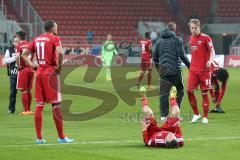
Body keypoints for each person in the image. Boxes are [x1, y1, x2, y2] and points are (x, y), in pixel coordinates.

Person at [21, 20, 74, 144]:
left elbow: (23, 55)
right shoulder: (55, 38)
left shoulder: (37, 39)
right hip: (50, 74)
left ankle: (39, 138)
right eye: (56, 26)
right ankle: (61, 137)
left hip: (39, 73)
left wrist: (34, 66)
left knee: (39, 105)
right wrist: (59, 68)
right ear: (52, 28)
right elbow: (60, 52)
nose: (57, 28)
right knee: (56, 105)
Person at [153, 22, 190, 121]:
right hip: (175, 71)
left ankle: (163, 116)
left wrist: (159, 69)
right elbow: (182, 55)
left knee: (163, 94)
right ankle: (175, 112)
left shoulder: (159, 41)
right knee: (180, 91)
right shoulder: (177, 40)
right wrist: (190, 66)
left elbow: (155, 57)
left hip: (163, 72)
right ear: (174, 30)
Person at [187, 19, 215, 124]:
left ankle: (205, 117)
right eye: (192, 28)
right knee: (189, 91)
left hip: (204, 71)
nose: (193, 30)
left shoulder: (206, 38)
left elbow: (212, 51)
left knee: (204, 93)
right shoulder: (190, 38)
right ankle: (196, 114)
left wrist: (210, 60)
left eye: (195, 28)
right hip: (193, 70)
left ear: (199, 27)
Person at [15, 31, 34, 115]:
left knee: (23, 90)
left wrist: (18, 65)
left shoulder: (19, 46)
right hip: (31, 69)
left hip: (23, 69)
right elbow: (34, 55)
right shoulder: (30, 44)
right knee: (29, 90)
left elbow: (17, 57)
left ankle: (25, 111)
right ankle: (29, 110)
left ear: (18, 37)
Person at [2, 36, 19, 114]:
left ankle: (27, 109)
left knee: (26, 91)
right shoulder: (9, 50)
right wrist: (14, 58)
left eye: (18, 41)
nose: (17, 43)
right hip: (14, 73)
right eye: (15, 41)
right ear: (13, 42)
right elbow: (4, 61)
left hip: (22, 73)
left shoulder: (23, 49)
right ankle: (11, 109)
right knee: (13, 92)